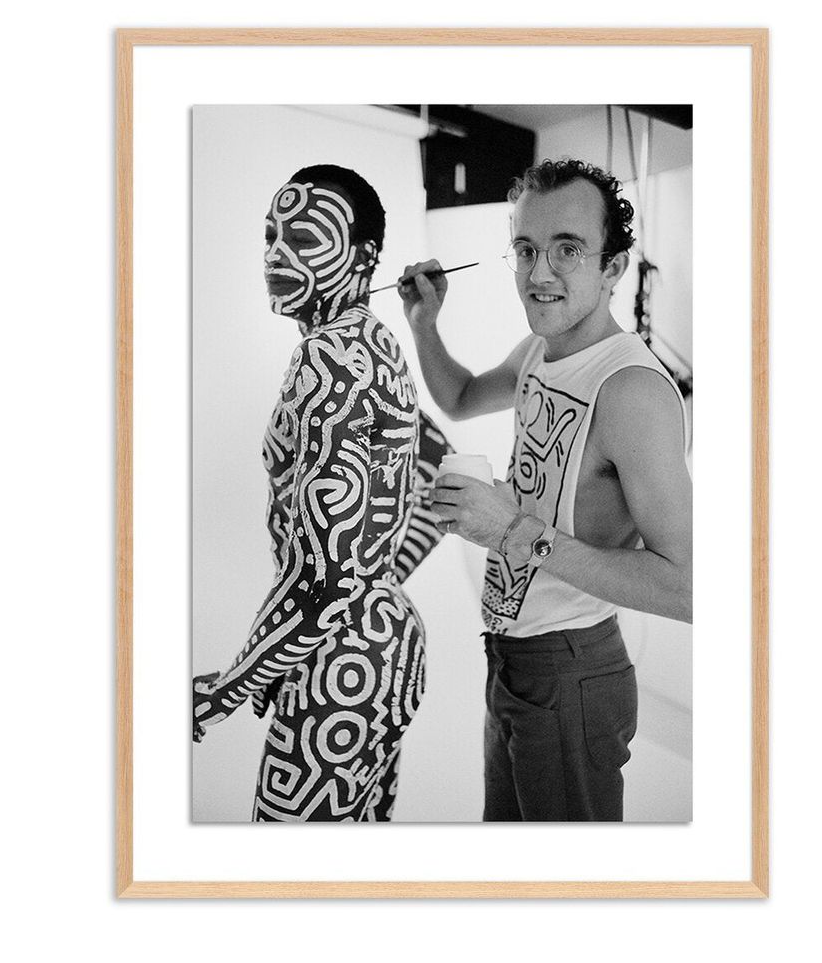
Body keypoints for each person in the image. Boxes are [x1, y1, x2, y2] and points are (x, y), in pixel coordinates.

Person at [399, 158, 692, 822]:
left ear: (614, 268)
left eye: (567, 249)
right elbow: (461, 396)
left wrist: (510, 530)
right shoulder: (541, 349)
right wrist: (424, 323)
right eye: (526, 249)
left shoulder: (632, 391)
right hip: (512, 660)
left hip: (572, 669)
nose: (539, 274)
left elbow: (689, 588)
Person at [192, 164, 452, 822]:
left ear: (363, 257)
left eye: (305, 239)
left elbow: (326, 581)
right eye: (271, 235)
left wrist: (226, 689)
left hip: (342, 659)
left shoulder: (327, 358)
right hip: (382, 644)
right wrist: (379, 577)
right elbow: (435, 457)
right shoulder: (375, 341)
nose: (277, 255)